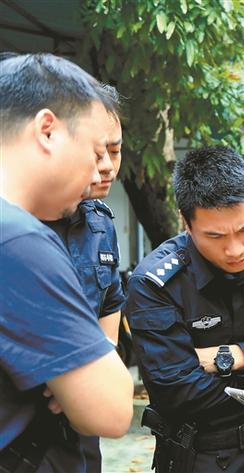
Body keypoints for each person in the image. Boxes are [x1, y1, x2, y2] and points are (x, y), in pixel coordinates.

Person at [124, 145, 244, 473]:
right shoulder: (155, 284)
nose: (236, 249)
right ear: (186, 223)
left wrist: (233, 356)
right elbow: (178, 392)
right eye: (215, 236)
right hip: (197, 453)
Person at [0, 53, 133, 472]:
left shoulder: (94, 224)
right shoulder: (19, 240)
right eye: (93, 151)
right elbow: (112, 409)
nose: (99, 171)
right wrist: (85, 374)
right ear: (47, 130)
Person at [42, 112, 125, 472]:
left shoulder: (99, 223)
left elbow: (111, 300)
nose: (106, 166)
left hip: (81, 420)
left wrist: (96, 366)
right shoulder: (19, 221)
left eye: (114, 151)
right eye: (96, 152)